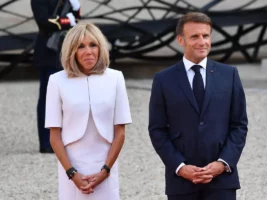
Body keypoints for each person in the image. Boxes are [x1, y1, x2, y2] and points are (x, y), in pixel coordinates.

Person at [148, 12, 248, 200]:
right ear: (181, 40)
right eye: (194, 36)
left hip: (222, 181)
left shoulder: (229, 75)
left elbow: (239, 125)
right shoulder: (163, 80)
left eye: (206, 36)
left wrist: (222, 163)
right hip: (181, 182)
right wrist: (180, 167)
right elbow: (157, 130)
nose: (202, 42)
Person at [45, 23, 132, 199]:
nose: (88, 51)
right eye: (81, 46)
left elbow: (120, 132)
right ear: (72, 51)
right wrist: (72, 173)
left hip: (106, 162)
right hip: (71, 164)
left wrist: (105, 171)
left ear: (101, 48)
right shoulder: (56, 81)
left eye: (93, 45)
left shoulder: (116, 78)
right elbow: (54, 135)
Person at [31, 0, 81, 153]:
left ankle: (65, 138)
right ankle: (46, 142)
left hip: (63, 49)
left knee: (67, 98)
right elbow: (44, 22)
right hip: (48, 50)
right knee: (48, 99)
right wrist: (67, 21)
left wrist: (76, 8)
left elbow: (75, 18)